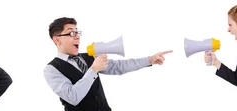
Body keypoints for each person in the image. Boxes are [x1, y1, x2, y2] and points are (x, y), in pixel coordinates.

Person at [43, 17, 172, 111]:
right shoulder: (52, 69)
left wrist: (149, 60)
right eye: (71, 33)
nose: (77, 37)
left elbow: (118, 67)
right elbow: (73, 97)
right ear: (57, 39)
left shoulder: (88, 58)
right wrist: (93, 70)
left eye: (77, 32)